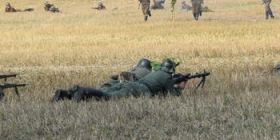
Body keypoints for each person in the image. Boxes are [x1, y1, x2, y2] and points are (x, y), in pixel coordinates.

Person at [52, 59, 186, 101]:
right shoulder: (167, 77)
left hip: (131, 84)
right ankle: (83, 90)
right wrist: (181, 87)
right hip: (137, 89)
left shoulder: (156, 73)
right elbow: (173, 95)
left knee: (102, 92)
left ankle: (67, 94)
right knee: (108, 97)